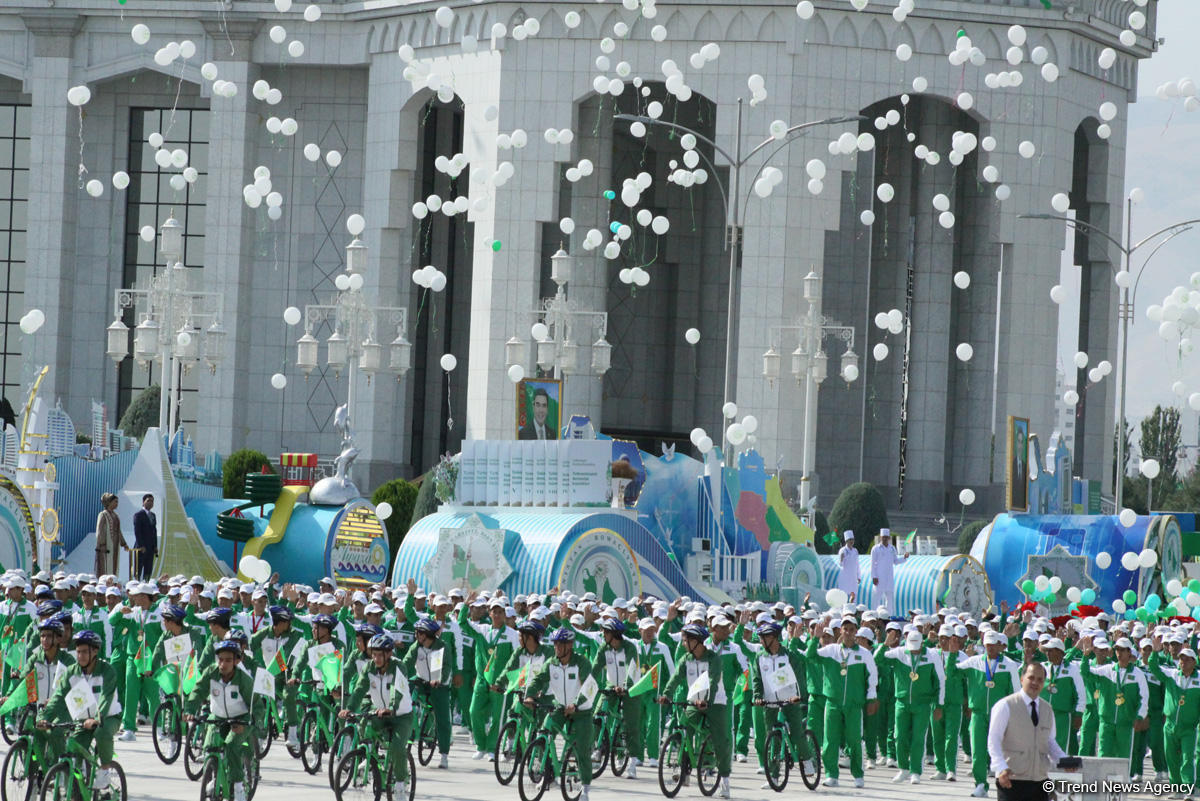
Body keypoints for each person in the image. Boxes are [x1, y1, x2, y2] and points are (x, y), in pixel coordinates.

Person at [37, 630, 123, 795]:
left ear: (95, 651)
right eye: (78, 652)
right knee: (73, 749)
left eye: (84, 652)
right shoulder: (71, 672)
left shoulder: (107, 670)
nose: (80, 656)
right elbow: (58, 697)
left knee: (102, 732)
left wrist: (97, 719)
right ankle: (77, 786)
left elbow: (105, 698)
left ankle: (105, 770)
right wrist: (44, 717)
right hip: (83, 720)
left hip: (108, 717)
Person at [659, 623, 733, 798]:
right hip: (694, 701)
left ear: (697, 642)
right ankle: (685, 770)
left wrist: (707, 700)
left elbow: (713, 682)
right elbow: (675, 678)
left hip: (715, 703)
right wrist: (666, 695)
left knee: (720, 739)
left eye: (686, 641)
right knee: (685, 726)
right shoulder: (686, 659)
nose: (684, 644)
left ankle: (724, 780)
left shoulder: (713, 659)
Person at [525, 627, 597, 801]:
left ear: (570, 645)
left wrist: (576, 704)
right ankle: (548, 774)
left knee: (582, 749)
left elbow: (589, 687)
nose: (556, 647)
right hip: (560, 708)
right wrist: (530, 695)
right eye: (555, 644)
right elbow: (538, 679)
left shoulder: (581, 663)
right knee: (544, 733)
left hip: (581, 711)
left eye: (560, 644)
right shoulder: (551, 663)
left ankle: (585, 789)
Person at [805, 616, 878, 788]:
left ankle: (858, 775)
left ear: (856, 631)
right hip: (833, 702)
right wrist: (815, 638)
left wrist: (871, 698)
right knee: (830, 740)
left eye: (852, 629)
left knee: (854, 740)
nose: (848, 633)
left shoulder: (864, 654)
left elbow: (872, 677)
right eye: (845, 629)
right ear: (841, 631)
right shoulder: (831, 650)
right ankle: (831, 775)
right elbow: (810, 656)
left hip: (854, 705)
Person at [340, 634, 413, 800]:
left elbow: (396, 689)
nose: (376, 658)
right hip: (380, 712)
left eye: (380, 655)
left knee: (397, 747)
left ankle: (400, 784)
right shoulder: (370, 667)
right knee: (364, 724)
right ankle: (370, 758)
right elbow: (359, 689)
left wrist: (391, 708)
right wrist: (349, 709)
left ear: (389, 654)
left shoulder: (398, 666)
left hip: (401, 715)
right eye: (373, 654)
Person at [986, 662, 1072, 801]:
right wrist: (1000, 767)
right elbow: (994, 739)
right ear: (1022, 679)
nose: (1035, 683)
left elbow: (1049, 741)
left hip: (1040, 781)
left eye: (1040, 680)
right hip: (1011, 780)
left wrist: (1063, 760)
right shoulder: (1005, 705)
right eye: (1031, 678)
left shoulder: (1047, 709)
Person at [185, 640, 255, 801]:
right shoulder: (211, 672)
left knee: (231, 746)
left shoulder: (244, 680)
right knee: (209, 746)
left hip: (240, 719)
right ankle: (215, 778)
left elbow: (255, 707)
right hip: (218, 717)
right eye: (220, 659)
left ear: (236, 661)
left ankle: (238, 787)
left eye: (228, 660)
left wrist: (246, 723)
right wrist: (189, 710)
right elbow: (198, 691)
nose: (223, 664)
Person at [869, 529, 907, 614]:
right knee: (876, 599)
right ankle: (874, 615)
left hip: (889, 578)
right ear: (881, 537)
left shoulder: (892, 548)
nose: (885, 539)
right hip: (879, 578)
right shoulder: (875, 549)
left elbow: (895, 561)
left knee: (889, 600)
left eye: (886, 537)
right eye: (883, 537)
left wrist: (904, 558)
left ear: (889, 538)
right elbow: (872, 564)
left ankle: (889, 616)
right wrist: (874, 577)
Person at [94, 493, 128, 578]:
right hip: (105, 547)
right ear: (109, 502)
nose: (117, 504)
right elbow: (100, 531)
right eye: (115, 501)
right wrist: (101, 544)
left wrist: (123, 543)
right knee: (105, 567)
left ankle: (113, 582)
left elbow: (118, 531)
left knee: (114, 566)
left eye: (117, 502)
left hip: (115, 546)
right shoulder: (103, 514)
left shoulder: (116, 516)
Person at [131, 495, 157, 581]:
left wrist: (155, 546)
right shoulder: (138, 515)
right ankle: (136, 584)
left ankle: (146, 584)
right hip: (141, 548)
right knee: (138, 569)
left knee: (148, 570)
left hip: (150, 548)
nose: (150, 503)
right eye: (148, 500)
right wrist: (141, 545)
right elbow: (137, 531)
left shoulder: (153, 515)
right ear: (143, 502)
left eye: (152, 501)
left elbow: (154, 531)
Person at [836, 531, 860, 600]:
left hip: (853, 578)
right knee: (843, 596)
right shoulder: (842, 550)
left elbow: (857, 565)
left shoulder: (855, 551)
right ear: (846, 541)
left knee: (854, 596)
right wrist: (841, 558)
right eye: (850, 540)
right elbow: (840, 565)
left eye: (852, 539)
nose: (851, 541)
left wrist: (859, 576)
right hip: (845, 577)